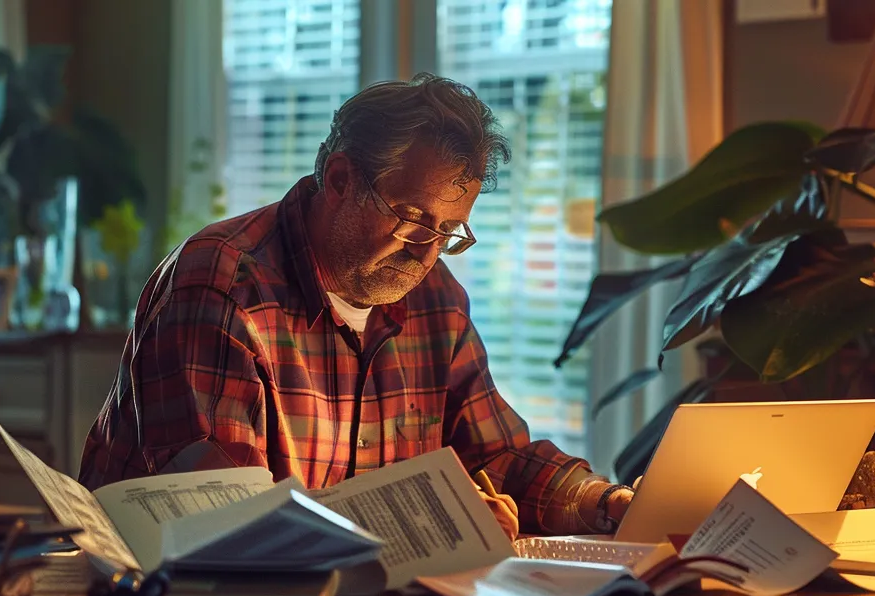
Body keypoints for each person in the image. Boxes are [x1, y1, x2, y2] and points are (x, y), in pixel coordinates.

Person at [78, 73, 633, 539]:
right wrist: (429, 526)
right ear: (341, 179)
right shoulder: (223, 286)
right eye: (413, 219)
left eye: (449, 231)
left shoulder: (436, 298)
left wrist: (602, 500)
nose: (427, 252)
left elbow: (496, 456)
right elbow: (226, 519)